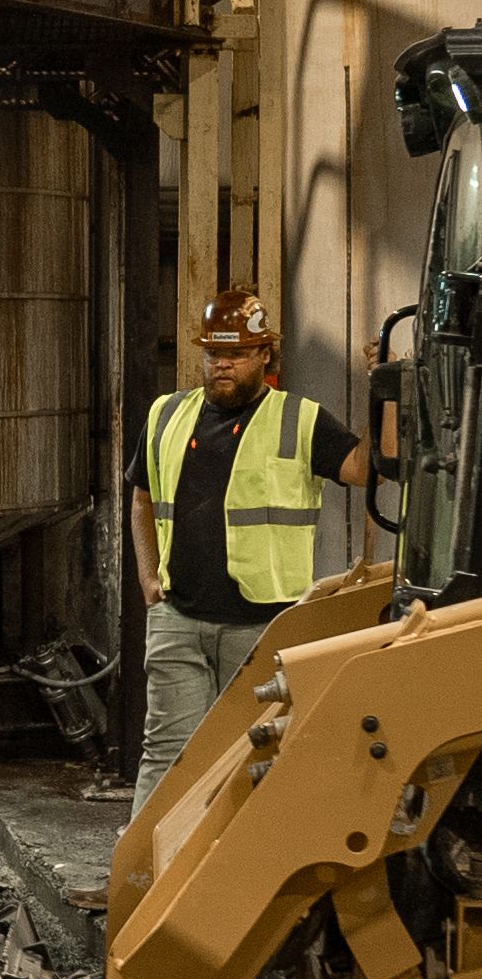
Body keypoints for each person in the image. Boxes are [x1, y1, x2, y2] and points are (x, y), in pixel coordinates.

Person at [126, 288, 369, 815]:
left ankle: (230, 885)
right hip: (177, 618)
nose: (222, 365)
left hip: (261, 626)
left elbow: (365, 469)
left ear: (264, 356)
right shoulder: (167, 414)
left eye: (236, 354)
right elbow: (141, 498)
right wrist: (149, 578)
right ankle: (139, 881)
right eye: (214, 354)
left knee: (252, 755)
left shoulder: (300, 420)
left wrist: (388, 391)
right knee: (166, 753)